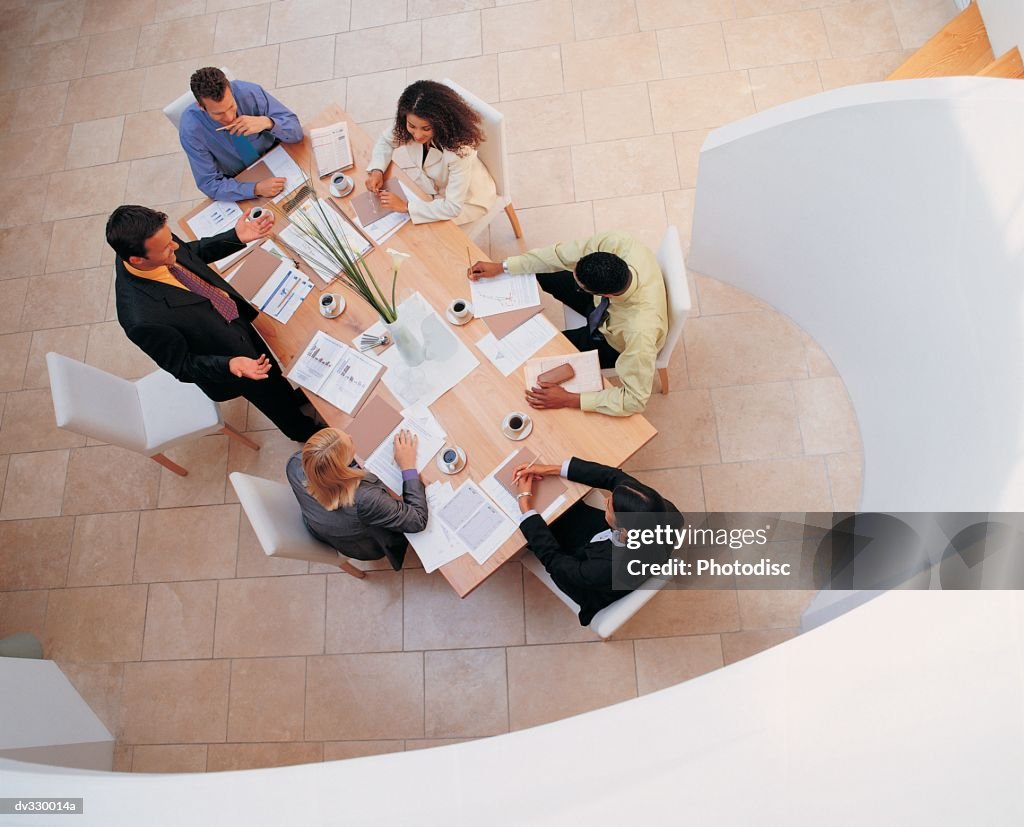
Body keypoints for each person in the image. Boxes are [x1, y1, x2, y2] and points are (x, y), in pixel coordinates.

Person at [107, 204, 318, 443]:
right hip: (227, 357)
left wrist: (235, 237)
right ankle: (303, 431)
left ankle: (290, 396)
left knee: (273, 375)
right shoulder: (140, 319)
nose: (174, 246)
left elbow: (189, 253)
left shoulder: (156, 239)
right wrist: (230, 364)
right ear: (137, 260)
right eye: (166, 248)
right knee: (270, 399)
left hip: (231, 318)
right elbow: (183, 366)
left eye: (170, 239)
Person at [469, 231, 668, 416]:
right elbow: (560, 256)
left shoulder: (640, 333)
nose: (572, 276)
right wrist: (503, 266)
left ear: (601, 294)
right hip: (608, 308)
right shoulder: (618, 244)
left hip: (614, 342)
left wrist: (570, 399)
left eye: (579, 284)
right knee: (542, 271)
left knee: (542, 348)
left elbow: (635, 400)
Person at [513, 456, 680, 626]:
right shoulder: (665, 512)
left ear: (625, 530)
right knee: (566, 510)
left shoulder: (602, 569)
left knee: (530, 534)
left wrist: (525, 505)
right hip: (606, 546)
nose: (606, 500)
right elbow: (613, 476)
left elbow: (554, 561)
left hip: (586, 580)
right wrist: (550, 469)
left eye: (609, 506)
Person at [287, 428, 428, 570]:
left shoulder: (295, 462)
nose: (350, 435)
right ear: (342, 468)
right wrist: (408, 467)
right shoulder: (365, 499)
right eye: (350, 443)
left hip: (324, 524)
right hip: (365, 544)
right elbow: (417, 520)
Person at [364, 80, 497, 226]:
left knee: (417, 233)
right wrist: (377, 170)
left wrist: (406, 206)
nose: (417, 135)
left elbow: (452, 208)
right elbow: (386, 141)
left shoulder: (460, 152)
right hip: (433, 188)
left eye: (426, 128)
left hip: (467, 200)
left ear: (441, 123)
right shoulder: (407, 128)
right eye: (412, 126)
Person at [179, 66, 303, 202]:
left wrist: (267, 123)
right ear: (201, 107)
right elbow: (209, 184)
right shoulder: (191, 130)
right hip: (240, 179)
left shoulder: (249, 92)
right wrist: (255, 189)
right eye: (219, 114)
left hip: (278, 156)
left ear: (231, 91)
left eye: (231, 106)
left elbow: (296, 131)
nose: (229, 117)